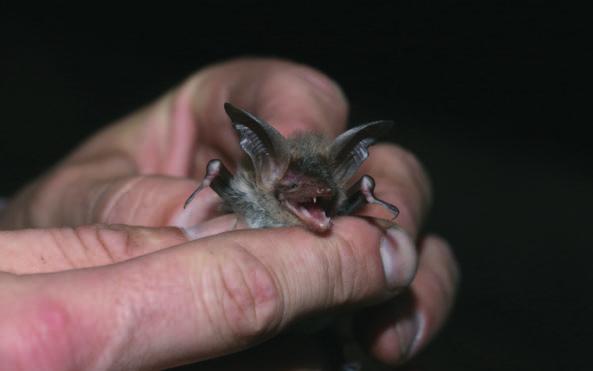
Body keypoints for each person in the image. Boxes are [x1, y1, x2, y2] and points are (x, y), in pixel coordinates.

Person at [0, 58, 459, 370]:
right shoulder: (245, 188)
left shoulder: (334, 204)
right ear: (269, 174)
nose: (315, 200)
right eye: (299, 190)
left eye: (324, 194)